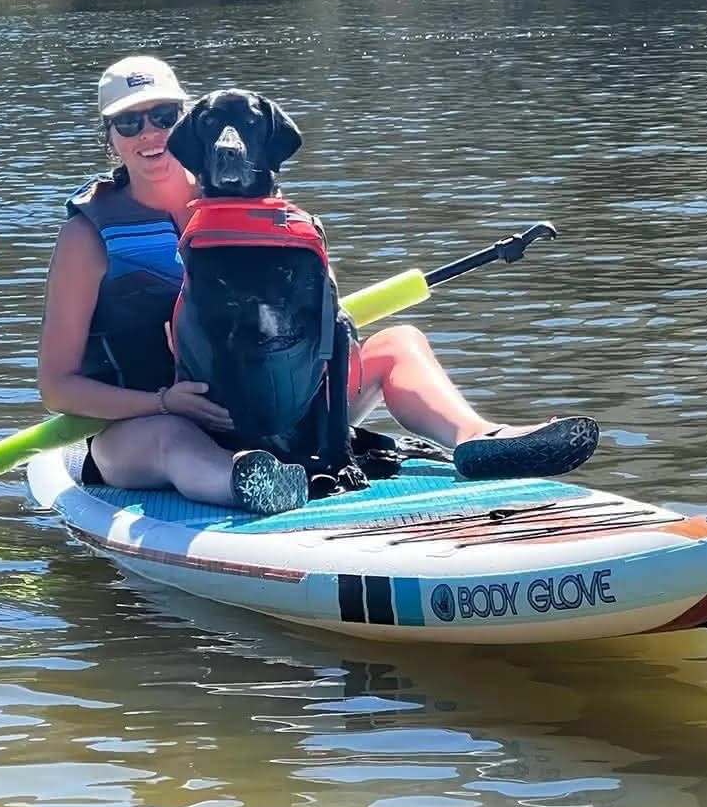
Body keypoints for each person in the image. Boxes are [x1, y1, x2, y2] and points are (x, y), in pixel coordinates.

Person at [37, 54, 598, 515]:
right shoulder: (89, 237)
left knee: (399, 343)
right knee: (171, 441)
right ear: (110, 137)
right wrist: (163, 400)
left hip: (284, 407)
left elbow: (320, 329)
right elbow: (58, 387)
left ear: (185, 122)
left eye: (162, 115)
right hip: (158, 423)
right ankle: (248, 483)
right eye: (129, 123)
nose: (149, 133)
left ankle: (478, 441)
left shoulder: (259, 207)